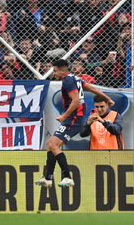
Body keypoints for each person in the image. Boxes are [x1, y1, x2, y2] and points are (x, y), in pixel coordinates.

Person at [35, 59, 115, 188]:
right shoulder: (75, 78)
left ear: (62, 71)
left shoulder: (67, 80)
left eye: (55, 71)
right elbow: (92, 88)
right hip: (72, 119)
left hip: (73, 119)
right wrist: (108, 98)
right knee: (50, 144)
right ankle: (48, 178)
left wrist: (64, 116)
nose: (53, 73)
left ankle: (67, 177)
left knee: (53, 145)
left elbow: (76, 101)